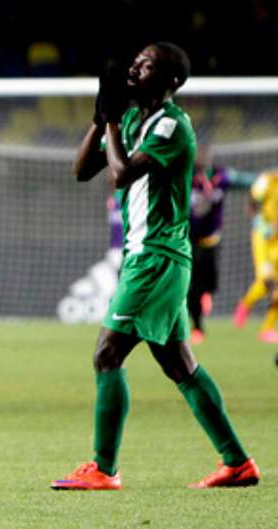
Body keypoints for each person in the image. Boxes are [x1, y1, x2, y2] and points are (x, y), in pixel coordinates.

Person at [51, 42, 259, 490]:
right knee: (180, 366)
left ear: (170, 82)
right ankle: (238, 463)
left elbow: (121, 174)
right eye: (134, 62)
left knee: (107, 354)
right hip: (146, 256)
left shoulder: (171, 125)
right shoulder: (130, 118)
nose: (134, 68)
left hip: (157, 256)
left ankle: (104, 468)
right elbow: (82, 170)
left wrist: (109, 121)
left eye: (145, 65)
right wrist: (99, 117)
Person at [187, 145, 256, 344]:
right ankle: (198, 327)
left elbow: (247, 181)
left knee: (212, 281)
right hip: (189, 241)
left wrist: (267, 178)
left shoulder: (221, 177)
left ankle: (207, 293)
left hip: (211, 241)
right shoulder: (185, 179)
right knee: (193, 287)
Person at [233, 169, 278, 342]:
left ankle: (267, 329)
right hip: (264, 238)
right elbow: (252, 199)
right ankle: (245, 304)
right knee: (266, 281)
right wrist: (257, 220)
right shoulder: (267, 180)